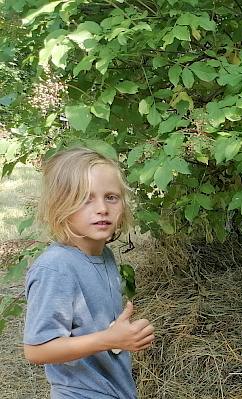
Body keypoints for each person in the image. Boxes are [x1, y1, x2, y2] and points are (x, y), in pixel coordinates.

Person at [22, 147, 155, 398]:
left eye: (111, 197)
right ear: (60, 204)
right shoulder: (56, 267)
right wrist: (109, 339)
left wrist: (123, 336)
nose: (102, 208)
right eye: (85, 198)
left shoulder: (104, 255)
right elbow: (36, 350)